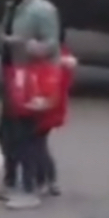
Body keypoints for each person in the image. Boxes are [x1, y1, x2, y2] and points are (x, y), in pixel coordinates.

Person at [0, 0, 61, 210]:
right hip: (14, 76)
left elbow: (52, 44)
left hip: (34, 80)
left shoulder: (43, 10)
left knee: (27, 135)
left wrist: (28, 45)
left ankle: (30, 188)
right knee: (7, 132)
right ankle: (31, 179)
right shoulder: (14, 6)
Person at [36, 26, 76, 196]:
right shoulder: (63, 58)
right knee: (38, 144)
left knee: (36, 146)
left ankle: (45, 180)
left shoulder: (54, 60)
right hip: (52, 108)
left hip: (43, 108)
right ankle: (48, 181)